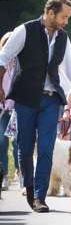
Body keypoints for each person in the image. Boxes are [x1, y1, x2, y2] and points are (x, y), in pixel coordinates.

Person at [0, 0, 71, 212]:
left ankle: (40, 197)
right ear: (50, 13)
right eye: (63, 17)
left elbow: (70, 67)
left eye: (68, 17)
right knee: (24, 147)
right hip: (26, 98)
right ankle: (29, 189)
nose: (66, 21)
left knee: (46, 148)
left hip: (51, 99)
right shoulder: (25, 30)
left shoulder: (63, 37)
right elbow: (3, 57)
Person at [0, 32, 19, 191]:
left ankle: (20, 173)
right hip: (2, 110)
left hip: (17, 110)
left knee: (19, 142)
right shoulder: (1, 64)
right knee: (2, 141)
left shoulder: (22, 63)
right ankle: (4, 174)